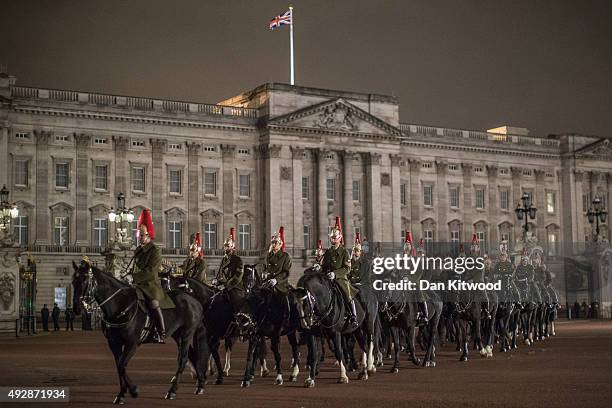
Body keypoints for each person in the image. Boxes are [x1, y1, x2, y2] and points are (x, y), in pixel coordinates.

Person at [132, 209, 174, 343]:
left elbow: (151, 271)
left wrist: (135, 277)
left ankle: (160, 332)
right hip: (138, 283)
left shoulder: (155, 250)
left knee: (153, 302)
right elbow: (135, 267)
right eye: (139, 236)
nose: (140, 238)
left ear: (149, 235)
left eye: (142, 236)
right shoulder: (138, 250)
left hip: (151, 285)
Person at [321, 217, 358, 328]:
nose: (332, 240)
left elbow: (347, 268)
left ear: (339, 238)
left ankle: (353, 316)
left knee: (347, 294)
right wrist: (320, 268)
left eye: (334, 238)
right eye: (331, 238)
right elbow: (325, 266)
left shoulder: (344, 252)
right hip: (328, 277)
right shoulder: (328, 252)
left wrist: (335, 274)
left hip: (340, 279)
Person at [264, 227, 292, 324]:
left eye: (276, 243)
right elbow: (265, 268)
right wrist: (264, 274)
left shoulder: (285, 256)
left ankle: (287, 319)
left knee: (284, 301)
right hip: (268, 283)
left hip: (280, 285)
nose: (273, 244)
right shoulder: (268, 256)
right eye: (273, 243)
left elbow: (286, 272)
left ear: (280, 245)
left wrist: (276, 280)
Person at [214, 228, 244, 316]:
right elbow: (220, 273)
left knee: (235, 303)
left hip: (234, 287)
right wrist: (217, 281)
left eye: (227, 245)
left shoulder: (237, 259)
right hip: (223, 286)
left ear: (232, 246)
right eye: (225, 245)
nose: (225, 247)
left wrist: (226, 286)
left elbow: (237, 277)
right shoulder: (224, 259)